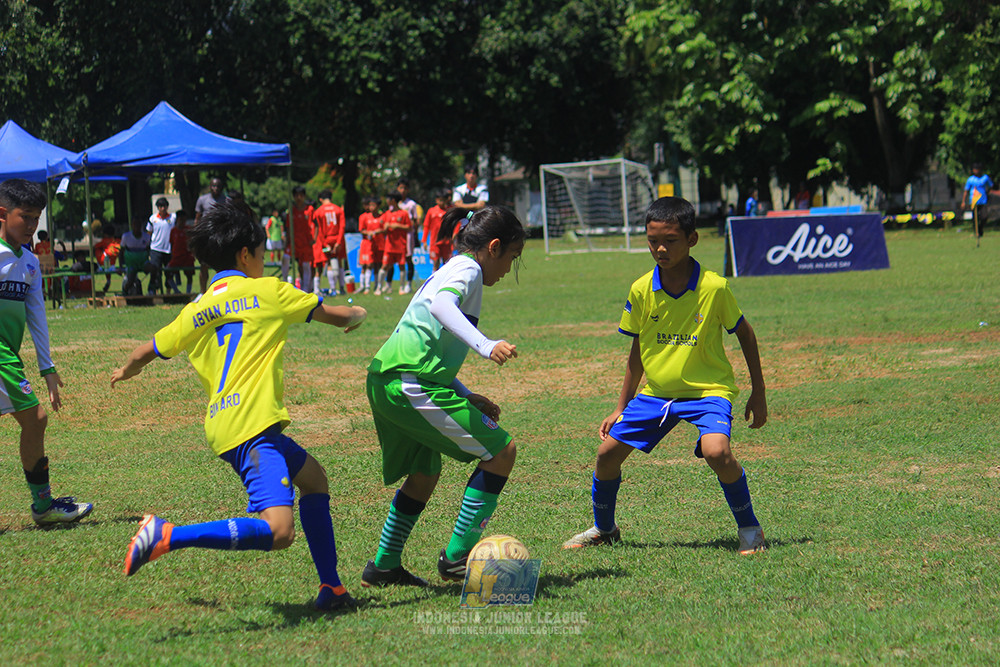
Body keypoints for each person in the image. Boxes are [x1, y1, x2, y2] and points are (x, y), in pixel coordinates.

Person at [111, 198, 368, 612]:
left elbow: (147, 350)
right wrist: (359, 312)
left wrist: (126, 370)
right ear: (245, 254)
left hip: (227, 423)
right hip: (252, 427)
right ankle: (168, 535)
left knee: (315, 480)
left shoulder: (198, 307)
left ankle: (332, 588)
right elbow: (339, 316)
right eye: (263, 255)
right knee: (280, 530)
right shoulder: (268, 291)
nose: (264, 262)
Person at [563, 196, 768, 555]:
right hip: (658, 394)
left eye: (670, 240)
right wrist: (620, 406)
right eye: (652, 240)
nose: (660, 248)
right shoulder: (642, 289)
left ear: (691, 240)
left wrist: (759, 391)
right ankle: (604, 528)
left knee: (717, 452)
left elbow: (745, 333)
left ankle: (750, 528)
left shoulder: (714, 287)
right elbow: (637, 352)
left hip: (708, 391)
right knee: (606, 455)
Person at [362, 204, 526, 587]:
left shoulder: (455, 266)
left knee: (424, 473)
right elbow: (439, 308)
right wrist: (486, 345)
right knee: (502, 451)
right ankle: (456, 559)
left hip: (391, 379)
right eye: (512, 259)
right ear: (495, 247)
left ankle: (383, 566)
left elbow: (431, 344)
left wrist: (465, 393)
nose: (508, 270)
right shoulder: (468, 269)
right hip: (409, 383)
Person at [0, 179, 93, 525]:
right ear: (2, 214)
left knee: (35, 421)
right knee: (35, 418)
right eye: (25, 216)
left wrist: (47, 367)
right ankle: (43, 506)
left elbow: (36, 314)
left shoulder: (30, 263)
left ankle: (43, 506)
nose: (32, 226)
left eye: (37, 218)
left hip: (8, 353)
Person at [311, 190, 347, 296]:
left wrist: (324, 243)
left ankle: (329, 289)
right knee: (339, 262)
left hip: (325, 240)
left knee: (326, 263)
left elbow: (319, 230)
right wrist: (339, 242)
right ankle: (340, 287)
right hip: (337, 239)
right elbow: (342, 226)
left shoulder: (318, 211)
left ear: (320, 199)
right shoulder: (338, 210)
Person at [195, 177, 227, 293]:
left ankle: (220, 291)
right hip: (206, 236)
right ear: (210, 187)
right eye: (213, 186)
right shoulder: (202, 199)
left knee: (221, 266)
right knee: (204, 265)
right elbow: (197, 218)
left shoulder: (226, 200)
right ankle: (202, 292)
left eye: (218, 186)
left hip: (220, 236)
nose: (216, 188)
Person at [375, 192, 410, 295]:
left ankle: (402, 288)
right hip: (389, 246)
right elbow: (382, 226)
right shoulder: (387, 214)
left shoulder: (404, 213)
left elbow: (409, 227)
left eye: (388, 199)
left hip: (401, 245)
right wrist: (384, 228)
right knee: (385, 266)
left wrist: (397, 226)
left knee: (402, 266)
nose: (387, 201)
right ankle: (379, 288)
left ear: (393, 200)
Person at [287, 186, 315, 291]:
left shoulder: (310, 209)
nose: (299, 198)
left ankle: (306, 289)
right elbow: (288, 226)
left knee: (307, 266)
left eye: (301, 195)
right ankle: (294, 285)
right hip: (295, 243)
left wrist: (314, 238)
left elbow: (316, 224)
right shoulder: (291, 210)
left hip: (306, 243)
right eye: (297, 195)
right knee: (298, 265)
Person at [147, 197, 176, 295]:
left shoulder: (172, 218)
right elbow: (149, 232)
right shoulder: (153, 218)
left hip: (169, 249)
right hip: (156, 249)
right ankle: (155, 290)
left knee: (169, 271)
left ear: (167, 207)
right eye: (160, 206)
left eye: (164, 206)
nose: (162, 208)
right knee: (155, 271)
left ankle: (168, 290)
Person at [961, 163, 997, 238]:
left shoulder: (985, 178)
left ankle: (980, 229)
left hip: (983, 200)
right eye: (975, 169)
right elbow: (966, 191)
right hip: (973, 201)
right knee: (975, 218)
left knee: (984, 216)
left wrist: (987, 193)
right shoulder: (970, 179)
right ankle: (976, 232)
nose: (976, 171)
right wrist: (963, 201)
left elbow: (990, 186)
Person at [397, 179, 419, 294]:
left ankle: (408, 284)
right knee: (398, 259)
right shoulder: (395, 204)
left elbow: (415, 220)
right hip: (397, 236)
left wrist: (415, 235)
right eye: (401, 188)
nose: (403, 190)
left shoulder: (411, 204)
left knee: (408, 258)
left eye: (405, 188)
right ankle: (393, 284)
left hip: (408, 234)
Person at [120, 216, 152, 297]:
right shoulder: (126, 237)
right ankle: (125, 290)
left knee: (154, 269)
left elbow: (149, 250)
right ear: (132, 225)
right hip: (131, 264)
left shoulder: (146, 237)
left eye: (138, 224)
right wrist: (121, 266)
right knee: (131, 279)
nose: (137, 226)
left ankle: (151, 289)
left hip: (143, 262)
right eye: (135, 224)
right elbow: (121, 252)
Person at [423, 188, 452, 271]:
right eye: (440, 200)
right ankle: (434, 282)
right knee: (436, 263)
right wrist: (424, 240)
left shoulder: (449, 211)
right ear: (436, 200)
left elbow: (456, 225)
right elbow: (426, 226)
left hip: (446, 242)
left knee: (446, 264)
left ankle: (446, 282)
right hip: (435, 242)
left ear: (446, 200)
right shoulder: (431, 211)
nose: (441, 202)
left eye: (443, 200)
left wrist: (454, 236)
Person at [357, 196, 382, 294]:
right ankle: (365, 286)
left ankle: (376, 285)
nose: (370, 207)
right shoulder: (364, 217)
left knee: (377, 265)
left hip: (378, 244)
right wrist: (369, 233)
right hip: (367, 244)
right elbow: (361, 230)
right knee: (367, 265)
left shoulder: (381, 216)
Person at [167, 210, 195, 294]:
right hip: (177, 257)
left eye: (184, 220)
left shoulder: (188, 230)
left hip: (187, 257)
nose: (183, 222)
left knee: (189, 275)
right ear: (177, 220)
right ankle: (176, 291)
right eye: (181, 220)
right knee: (168, 272)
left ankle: (188, 292)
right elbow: (172, 243)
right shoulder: (173, 231)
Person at [94, 224, 121, 293]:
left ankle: (99, 267)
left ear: (105, 234)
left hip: (104, 263)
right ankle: (117, 270)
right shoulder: (118, 241)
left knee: (98, 251)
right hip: (113, 264)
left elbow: (95, 246)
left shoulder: (104, 241)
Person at [265, 208, 289, 280]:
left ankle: (278, 261)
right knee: (273, 250)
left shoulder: (278, 219)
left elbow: (281, 227)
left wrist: (282, 234)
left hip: (278, 237)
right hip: (273, 237)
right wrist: (268, 234)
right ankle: (272, 262)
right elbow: (267, 227)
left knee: (279, 250)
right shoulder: (271, 219)